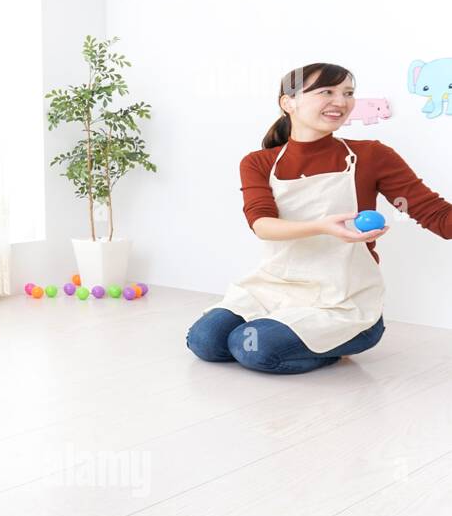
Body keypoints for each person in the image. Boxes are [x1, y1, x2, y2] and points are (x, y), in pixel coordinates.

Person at [188, 62, 452, 374]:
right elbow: (262, 225)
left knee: (256, 348)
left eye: (348, 93)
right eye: (326, 91)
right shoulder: (259, 162)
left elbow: (436, 216)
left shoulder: (372, 156)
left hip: (341, 299)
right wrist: (321, 227)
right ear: (289, 102)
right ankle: (289, 332)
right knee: (206, 341)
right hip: (274, 287)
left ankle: (344, 340)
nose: (341, 101)